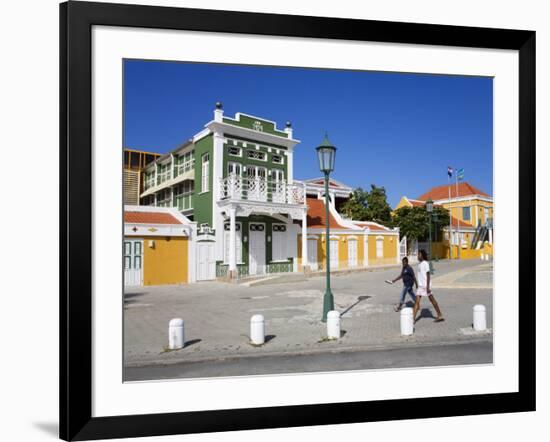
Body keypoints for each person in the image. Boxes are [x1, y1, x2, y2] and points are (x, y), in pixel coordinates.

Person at [413, 249, 444, 323]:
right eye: (418, 254)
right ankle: (412, 319)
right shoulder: (419, 264)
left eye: (419, 254)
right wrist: (417, 285)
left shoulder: (425, 263)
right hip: (421, 287)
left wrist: (427, 287)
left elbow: (428, 275)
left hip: (426, 286)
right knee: (417, 302)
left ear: (422, 255)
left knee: (432, 300)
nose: (418, 256)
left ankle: (440, 315)